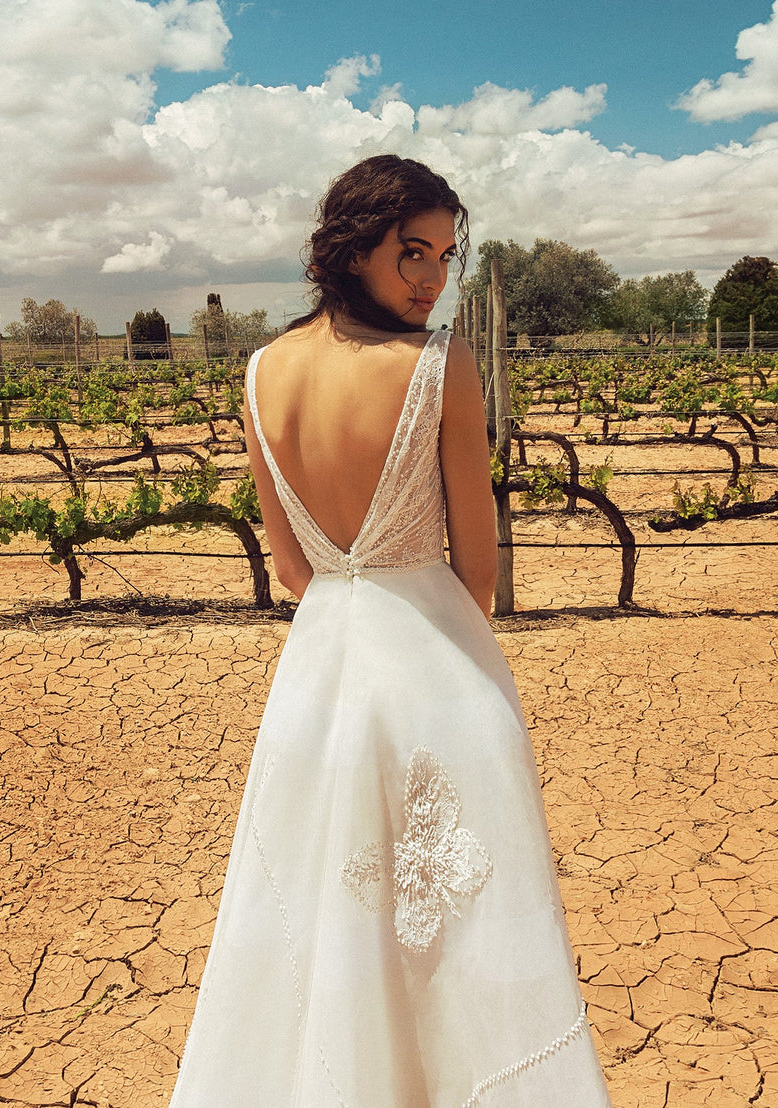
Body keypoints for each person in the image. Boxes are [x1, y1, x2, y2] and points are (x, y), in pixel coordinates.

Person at [169, 154, 612, 1106]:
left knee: (328, 928)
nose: (431, 279)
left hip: (316, 681)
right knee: (463, 942)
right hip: (435, 666)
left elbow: (291, 570)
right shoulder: (440, 364)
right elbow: (480, 569)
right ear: (352, 244)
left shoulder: (258, 372)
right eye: (411, 251)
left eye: (446, 256)